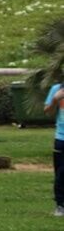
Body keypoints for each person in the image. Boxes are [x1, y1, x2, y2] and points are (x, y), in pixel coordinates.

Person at [45, 82, 64, 217]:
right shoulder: (57, 89)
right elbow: (48, 112)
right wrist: (55, 100)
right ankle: (60, 205)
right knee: (60, 173)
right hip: (61, 138)